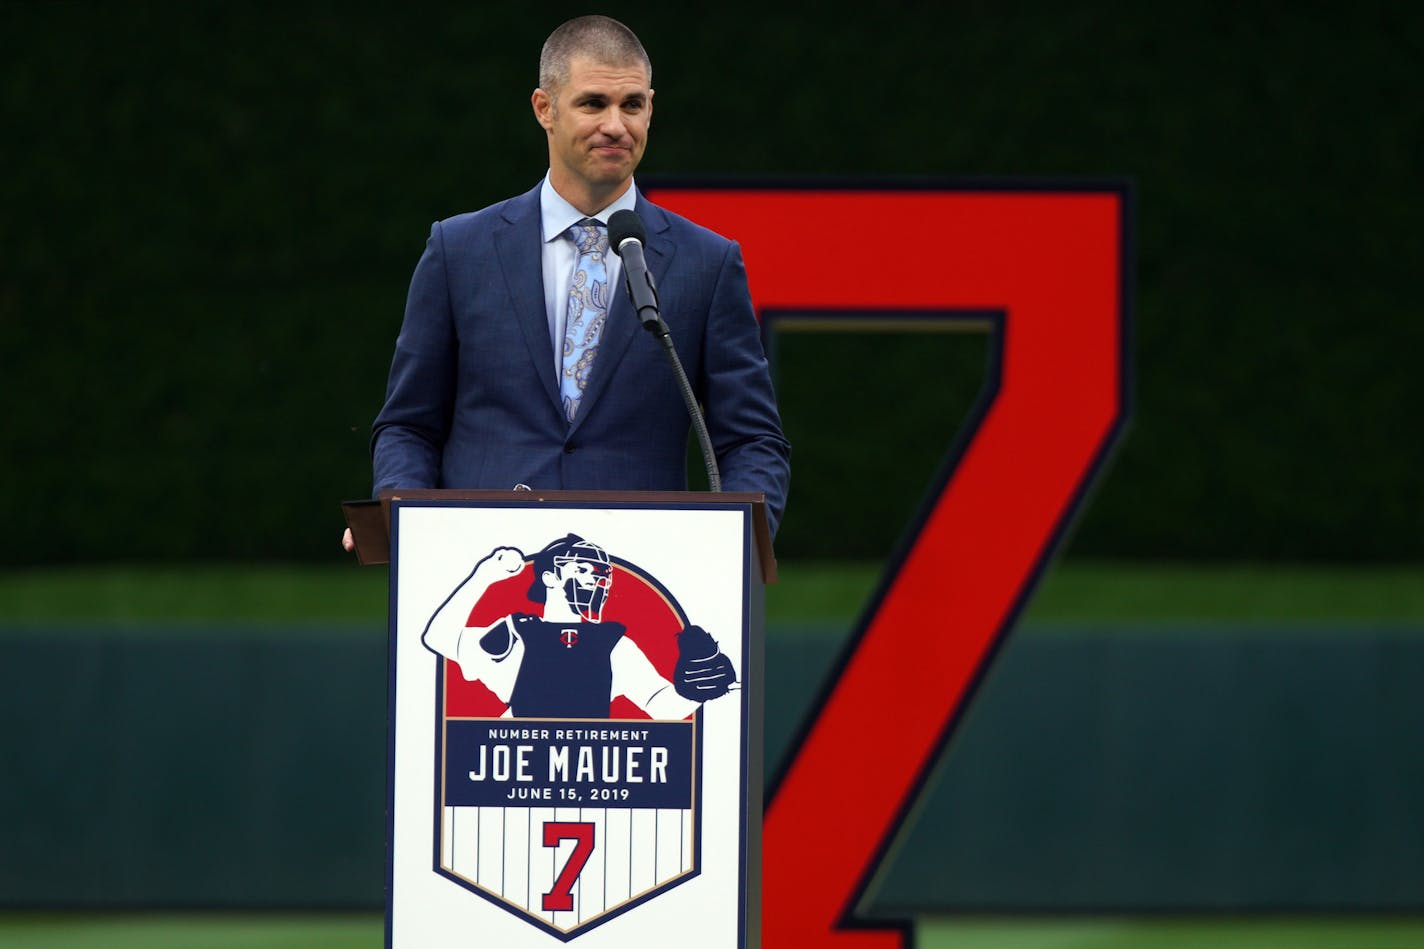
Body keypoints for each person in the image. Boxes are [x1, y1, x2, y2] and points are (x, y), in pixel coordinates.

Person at [343, 15, 789, 554]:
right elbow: (409, 425)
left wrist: (734, 543)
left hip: (640, 572)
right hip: (484, 563)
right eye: (593, 103)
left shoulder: (707, 262)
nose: (616, 125)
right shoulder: (458, 250)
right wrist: (404, 518)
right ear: (544, 109)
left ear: (651, 107)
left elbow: (750, 439)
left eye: (632, 105)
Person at [421, 535, 736, 719]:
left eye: (600, 573)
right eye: (583, 569)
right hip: (516, 769)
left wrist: (696, 691)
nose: (594, 579)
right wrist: (484, 576)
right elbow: (437, 639)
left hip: (590, 774)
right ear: (550, 578)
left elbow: (658, 704)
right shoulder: (516, 632)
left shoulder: (612, 642)